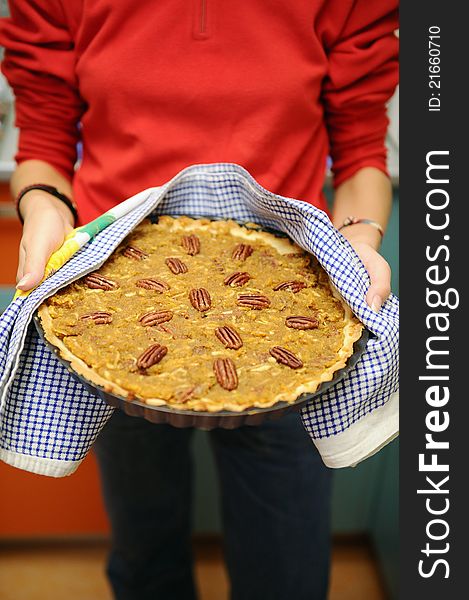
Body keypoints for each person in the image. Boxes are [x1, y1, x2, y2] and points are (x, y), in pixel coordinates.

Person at [0, 2, 398, 599]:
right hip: (108, 307)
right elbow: (46, 133)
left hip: (293, 303)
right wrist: (43, 203)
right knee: (145, 552)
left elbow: (361, 146)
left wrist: (359, 239)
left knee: (287, 572)